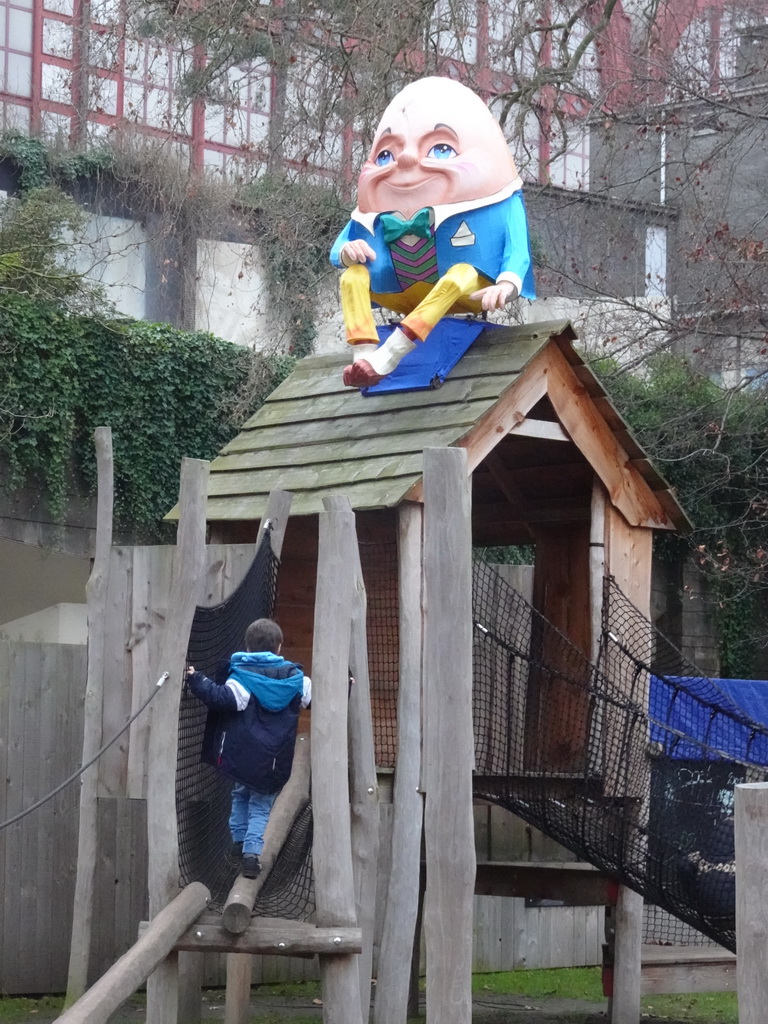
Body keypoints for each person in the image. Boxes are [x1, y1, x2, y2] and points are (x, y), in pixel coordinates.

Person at [330, 76, 535, 389]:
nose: (408, 159)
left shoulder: (502, 202)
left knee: (461, 273)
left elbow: (518, 250)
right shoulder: (373, 214)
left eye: (441, 149)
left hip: (466, 293)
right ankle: (365, 354)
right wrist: (347, 251)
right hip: (397, 291)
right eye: (386, 154)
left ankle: (393, 352)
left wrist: (507, 284)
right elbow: (339, 248)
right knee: (352, 276)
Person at [186, 618, 311, 879]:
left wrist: (197, 680)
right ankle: (252, 855)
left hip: (242, 758)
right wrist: (346, 684)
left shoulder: (241, 676)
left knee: (240, 795)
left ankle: (238, 844)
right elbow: (316, 699)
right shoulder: (295, 679)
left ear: (248, 646)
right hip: (274, 761)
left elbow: (221, 698)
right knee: (261, 805)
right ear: (279, 647)